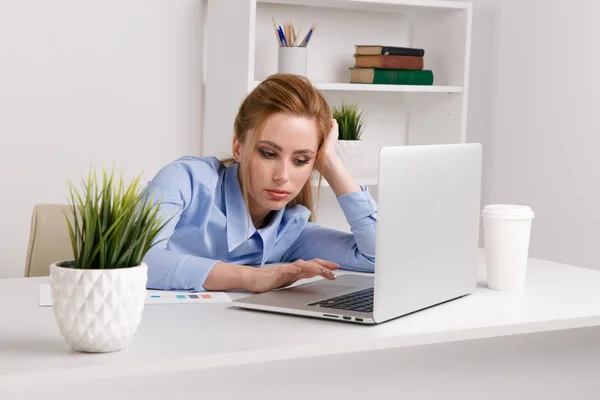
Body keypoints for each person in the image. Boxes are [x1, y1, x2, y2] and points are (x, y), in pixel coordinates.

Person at [141, 74, 377, 293]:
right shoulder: (186, 181)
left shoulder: (291, 230)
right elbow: (136, 259)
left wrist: (331, 164)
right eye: (268, 153)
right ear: (238, 148)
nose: (282, 176)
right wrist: (249, 277)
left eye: (301, 160)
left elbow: (378, 257)